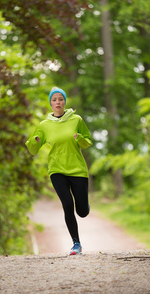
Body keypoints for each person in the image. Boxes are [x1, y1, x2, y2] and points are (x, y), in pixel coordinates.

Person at [25, 87, 93, 255]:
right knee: (67, 204)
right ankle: (76, 243)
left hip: (77, 169)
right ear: (51, 103)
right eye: (54, 99)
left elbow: (88, 141)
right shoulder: (44, 125)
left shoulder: (76, 120)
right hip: (57, 170)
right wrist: (35, 140)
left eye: (60, 99)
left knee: (82, 212)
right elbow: (33, 148)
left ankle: (84, 205)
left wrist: (81, 139)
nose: (57, 102)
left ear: (64, 102)